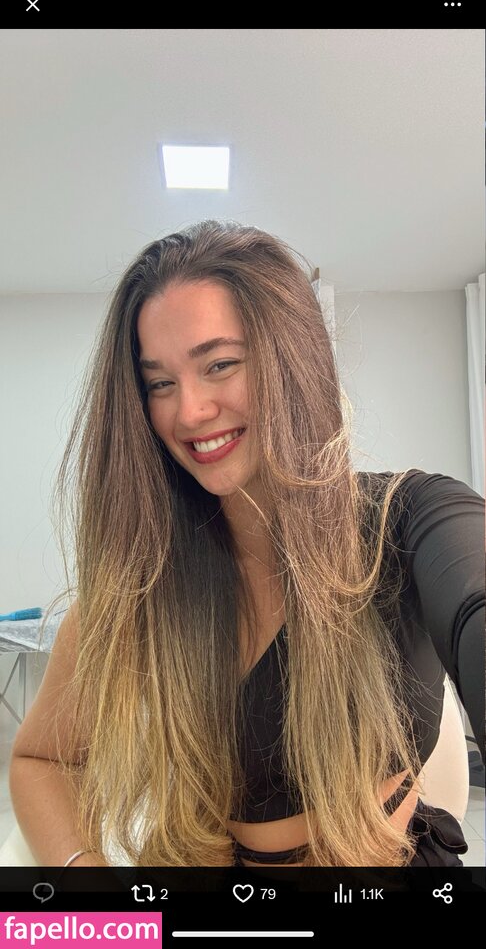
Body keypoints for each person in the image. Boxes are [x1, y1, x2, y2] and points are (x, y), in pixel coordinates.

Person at [9, 219, 484, 868]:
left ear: (293, 361)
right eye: (159, 383)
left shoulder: (409, 520)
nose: (189, 411)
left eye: (220, 365)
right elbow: (41, 758)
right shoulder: (144, 582)